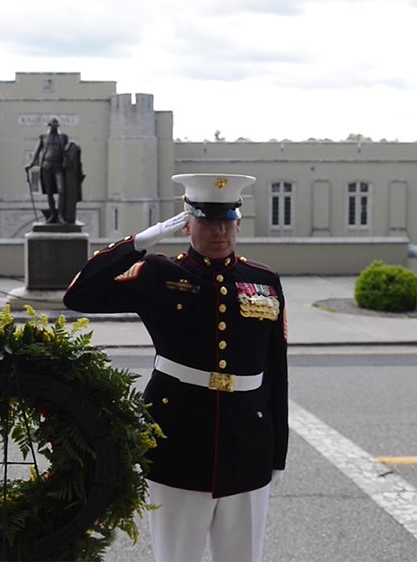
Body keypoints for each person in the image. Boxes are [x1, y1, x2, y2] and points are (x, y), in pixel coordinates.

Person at [63, 173, 288, 562]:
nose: (219, 231)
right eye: (207, 221)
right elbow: (79, 295)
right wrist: (137, 245)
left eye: (227, 220)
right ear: (186, 225)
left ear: (238, 222)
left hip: (248, 442)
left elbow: (276, 371)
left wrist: (277, 451)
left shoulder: (263, 281)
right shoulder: (160, 274)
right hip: (178, 440)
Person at [26, 117, 69, 223]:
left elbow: (68, 153)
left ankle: (60, 215)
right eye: (52, 125)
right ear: (49, 125)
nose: (54, 127)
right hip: (46, 166)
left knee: (61, 191)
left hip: (58, 167)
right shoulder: (43, 137)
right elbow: (36, 151)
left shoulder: (63, 137)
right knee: (49, 192)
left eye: (56, 125)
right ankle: (52, 216)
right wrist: (30, 164)